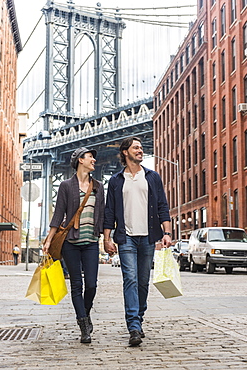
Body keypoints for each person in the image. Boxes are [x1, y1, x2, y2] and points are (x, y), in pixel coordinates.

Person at [103, 137, 171, 346]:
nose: (140, 150)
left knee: (142, 282)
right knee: (130, 280)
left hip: (148, 236)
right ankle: (133, 326)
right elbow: (109, 212)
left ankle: (138, 319)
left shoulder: (152, 177)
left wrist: (167, 232)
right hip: (126, 238)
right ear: (125, 152)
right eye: (136, 148)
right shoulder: (116, 180)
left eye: (141, 148)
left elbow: (162, 205)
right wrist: (106, 238)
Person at [43, 147, 104, 344]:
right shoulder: (66, 186)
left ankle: (84, 315)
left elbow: (101, 214)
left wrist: (108, 237)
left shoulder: (98, 186)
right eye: (89, 157)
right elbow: (58, 214)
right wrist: (49, 239)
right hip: (71, 242)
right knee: (77, 284)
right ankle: (83, 326)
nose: (93, 159)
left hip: (92, 242)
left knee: (92, 285)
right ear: (80, 160)